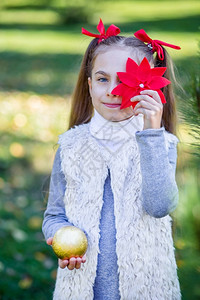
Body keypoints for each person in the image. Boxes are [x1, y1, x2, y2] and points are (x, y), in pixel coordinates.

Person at [42, 19, 181, 300]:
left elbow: (159, 206)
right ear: (90, 83)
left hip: (147, 288)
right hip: (80, 289)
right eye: (103, 79)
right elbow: (54, 215)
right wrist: (60, 234)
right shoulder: (71, 146)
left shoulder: (160, 143)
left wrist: (151, 131)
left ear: (151, 87)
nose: (114, 90)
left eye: (126, 80)